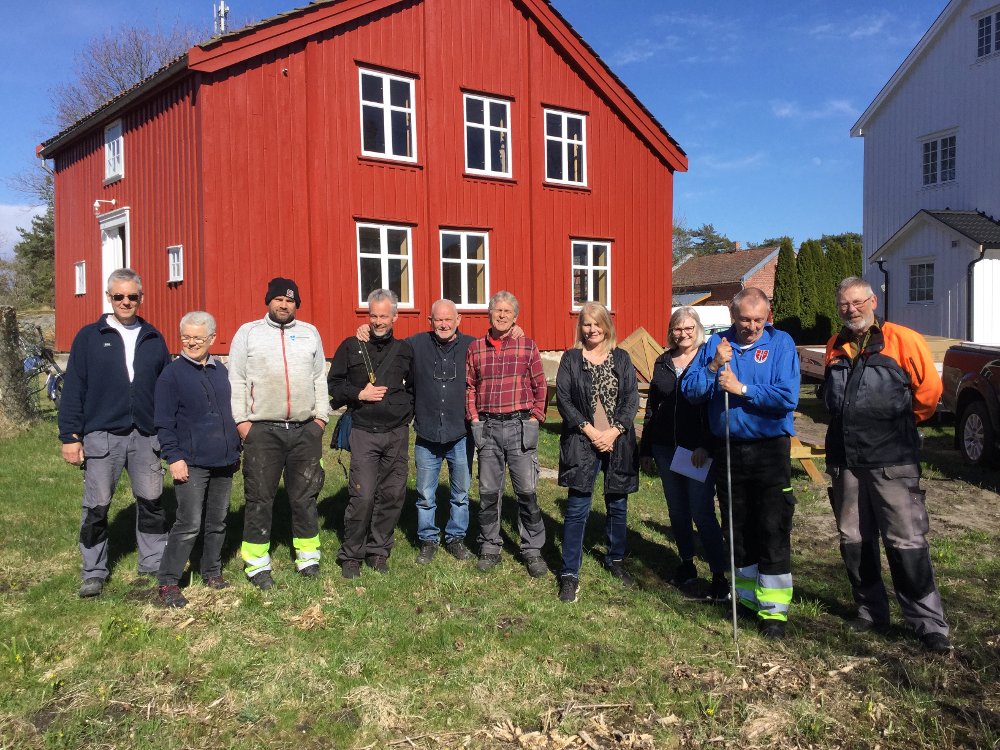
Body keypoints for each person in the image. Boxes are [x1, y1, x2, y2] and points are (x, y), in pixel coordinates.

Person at [822, 277, 951, 653]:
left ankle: (927, 623)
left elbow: (928, 396)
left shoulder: (903, 339)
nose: (852, 310)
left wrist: (893, 427)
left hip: (892, 460)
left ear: (873, 301)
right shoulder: (835, 345)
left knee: (906, 540)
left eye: (858, 302)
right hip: (845, 460)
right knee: (854, 538)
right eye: (845, 304)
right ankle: (870, 610)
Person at [682, 287, 800, 639]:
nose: (751, 326)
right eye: (744, 319)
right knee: (735, 526)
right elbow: (691, 391)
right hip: (729, 449)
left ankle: (774, 611)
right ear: (732, 317)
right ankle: (747, 600)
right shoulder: (715, 345)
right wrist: (715, 364)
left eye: (758, 320)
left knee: (772, 525)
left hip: (769, 449)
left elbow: (787, 396)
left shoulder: (780, 345)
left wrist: (742, 389)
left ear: (769, 316)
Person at [58, 268, 171, 598]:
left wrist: (168, 431)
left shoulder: (153, 337)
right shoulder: (89, 337)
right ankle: (93, 570)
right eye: (118, 296)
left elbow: (165, 388)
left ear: (141, 298)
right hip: (102, 435)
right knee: (97, 505)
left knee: (151, 501)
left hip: (146, 435)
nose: (125, 301)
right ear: (109, 297)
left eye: (132, 296)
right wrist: (70, 436)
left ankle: (152, 561)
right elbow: (74, 388)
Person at [355, 299, 475, 564]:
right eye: (438, 320)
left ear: (458, 321)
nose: (443, 324)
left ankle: (455, 537)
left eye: (448, 319)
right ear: (430, 321)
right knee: (425, 494)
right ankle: (428, 539)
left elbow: (495, 347)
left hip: (460, 433)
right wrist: (366, 330)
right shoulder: (415, 345)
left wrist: (516, 331)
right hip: (427, 432)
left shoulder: (471, 346)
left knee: (461, 493)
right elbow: (385, 342)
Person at [229, 277, 329, 590]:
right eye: (278, 300)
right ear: (268, 301)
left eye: (289, 301)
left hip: (304, 430)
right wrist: (243, 423)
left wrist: (321, 419)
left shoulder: (309, 333)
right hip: (263, 430)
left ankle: (308, 557)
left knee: (305, 495)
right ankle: (257, 563)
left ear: (296, 304)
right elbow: (237, 381)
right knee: (259, 497)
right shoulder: (249, 333)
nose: (283, 305)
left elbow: (319, 379)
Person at [640, 307, 729, 602]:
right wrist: (647, 447)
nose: (684, 334)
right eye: (678, 329)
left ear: (698, 329)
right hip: (666, 448)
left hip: (696, 450)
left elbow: (713, 406)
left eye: (689, 328)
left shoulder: (708, 358)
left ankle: (719, 575)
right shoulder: (663, 362)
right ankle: (687, 564)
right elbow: (653, 406)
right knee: (677, 510)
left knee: (702, 511)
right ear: (671, 332)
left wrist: (707, 444)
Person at [154, 311, 241, 608]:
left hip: (224, 459)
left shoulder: (221, 371)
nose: (192, 343)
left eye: (198, 338)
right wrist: (174, 457)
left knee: (217, 521)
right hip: (190, 461)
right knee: (189, 523)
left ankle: (211, 571)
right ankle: (168, 581)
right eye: (186, 337)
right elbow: (163, 422)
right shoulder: (172, 374)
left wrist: (235, 450)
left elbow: (230, 413)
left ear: (212, 339)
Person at [555, 302, 639, 603]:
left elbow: (632, 398)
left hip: (617, 441)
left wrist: (614, 431)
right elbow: (563, 399)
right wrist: (590, 431)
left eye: (596, 323)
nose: (592, 329)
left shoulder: (622, 358)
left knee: (617, 503)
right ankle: (569, 573)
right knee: (578, 507)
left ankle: (615, 559)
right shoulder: (571, 359)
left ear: (606, 325)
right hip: (582, 440)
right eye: (586, 324)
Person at [329, 289, 415, 579]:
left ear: (395, 316)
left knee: (392, 494)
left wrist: (405, 415)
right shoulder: (352, 345)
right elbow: (334, 385)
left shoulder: (405, 350)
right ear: (368, 316)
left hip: (396, 434)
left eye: (384, 316)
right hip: (364, 432)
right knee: (362, 495)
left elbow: (414, 388)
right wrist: (358, 393)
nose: (378, 321)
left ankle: (379, 551)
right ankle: (351, 554)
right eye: (373, 315)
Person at [466, 290, 548, 577]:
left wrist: (535, 418)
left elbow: (541, 386)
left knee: (527, 492)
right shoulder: (476, 348)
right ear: (490, 314)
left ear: (516, 316)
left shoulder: (527, 346)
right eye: (497, 310)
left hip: (519, 426)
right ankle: (489, 546)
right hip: (487, 428)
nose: (501, 315)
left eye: (507, 312)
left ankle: (532, 549)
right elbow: (470, 387)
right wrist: (475, 419)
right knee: (488, 493)